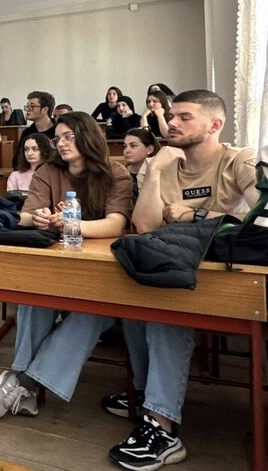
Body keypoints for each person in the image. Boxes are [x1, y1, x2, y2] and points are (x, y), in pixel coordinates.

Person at [106, 90, 257, 470]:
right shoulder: (161, 165)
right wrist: (156, 171)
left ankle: (161, 425)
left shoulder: (238, 159)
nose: (171, 123)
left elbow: (261, 215)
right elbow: (145, 226)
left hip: (227, 276)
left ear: (215, 124)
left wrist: (196, 215)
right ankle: (149, 401)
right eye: (172, 116)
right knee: (136, 299)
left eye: (184, 117)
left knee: (165, 308)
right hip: (175, 267)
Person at [0, 112, 132, 424]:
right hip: (56, 263)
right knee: (34, 297)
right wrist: (36, 218)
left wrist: (72, 223)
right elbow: (27, 215)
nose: (61, 144)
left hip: (101, 272)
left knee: (95, 312)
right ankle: (24, 387)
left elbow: (116, 223)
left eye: (69, 137)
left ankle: (23, 381)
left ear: (87, 137)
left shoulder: (115, 173)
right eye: (58, 138)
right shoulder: (49, 170)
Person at [12, 91, 57, 168]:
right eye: (27, 106)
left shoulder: (58, 131)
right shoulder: (27, 133)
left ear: (45, 109)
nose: (27, 109)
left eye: (32, 106)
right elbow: (17, 160)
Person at [123, 127, 160, 200]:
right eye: (125, 146)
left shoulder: (159, 173)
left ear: (150, 149)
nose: (126, 150)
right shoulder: (121, 173)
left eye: (133, 146)